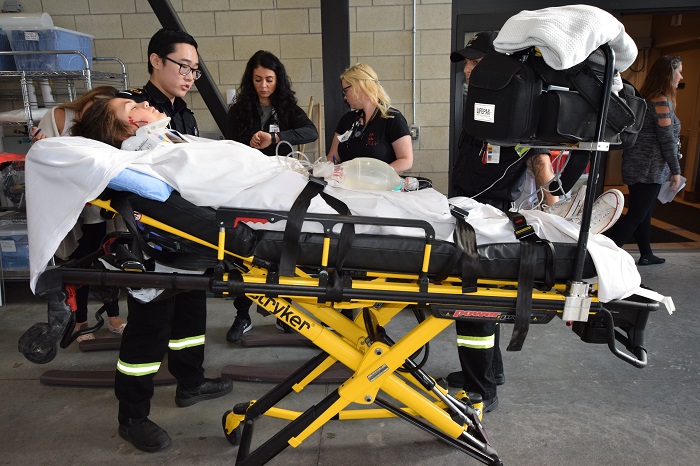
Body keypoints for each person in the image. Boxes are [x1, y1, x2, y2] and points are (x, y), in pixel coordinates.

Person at [90, 29, 231, 453]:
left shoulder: (180, 112)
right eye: (182, 66)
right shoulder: (130, 107)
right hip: (149, 238)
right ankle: (131, 416)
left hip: (186, 232)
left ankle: (190, 382)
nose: (190, 75)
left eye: (194, 69)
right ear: (156, 60)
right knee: (148, 331)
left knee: (191, 314)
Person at [225, 50, 319, 342]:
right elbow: (227, 144)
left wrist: (276, 138)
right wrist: (250, 142)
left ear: (278, 79)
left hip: (280, 188)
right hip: (248, 187)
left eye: (269, 79)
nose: (263, 85)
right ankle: (243, 314)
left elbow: (310, 132)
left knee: (279, 247)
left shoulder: (287, 107)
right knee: (242, 252)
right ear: (249, 80)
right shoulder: (240, 110)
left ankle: (283, 313)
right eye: (257, 79)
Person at [30, 86, 126, 341]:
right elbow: (42, 159)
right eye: (94, 106)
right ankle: (81, 321)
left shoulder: (106, 125)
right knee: (79, 262)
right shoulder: (59, 117)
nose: (95, 113)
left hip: (97, 206)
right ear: (88, 99)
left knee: (104, 257)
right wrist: (41, 145)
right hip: (66, 202)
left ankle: (112, 317)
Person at [605, 55, 683, 266]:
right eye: (678, 71)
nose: (681, 76)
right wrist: (676, 170)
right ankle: (603, 254)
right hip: (648, 168)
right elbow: (666, 140)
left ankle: (646, 253)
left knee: (643, 213)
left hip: (641, 165)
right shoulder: (661, 102)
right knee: (637, 215)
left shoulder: (651, 99)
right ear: (669, 75)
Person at [326, 63, 413, 174]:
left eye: (346, 91)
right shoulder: (347, 120)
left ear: (360, 86)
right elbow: (333, 156)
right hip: (349, 186)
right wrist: (328, 169)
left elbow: (406, 160)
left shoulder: (392, 118)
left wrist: (379, 175)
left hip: (380, 188)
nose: (344, 96)